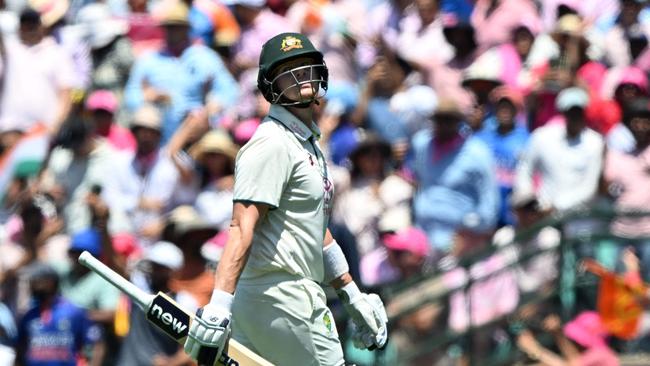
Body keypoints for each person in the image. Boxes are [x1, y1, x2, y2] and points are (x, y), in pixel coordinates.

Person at [182, 32, 388, 366]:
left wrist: (351, 294)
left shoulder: (305, 145)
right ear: (270, 87)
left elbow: (316, 230)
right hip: (283, 294)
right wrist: (219, 303)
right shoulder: (271, 143)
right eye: (288, 70)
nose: (301, 75)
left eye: (306, 66)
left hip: (280, 294)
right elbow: (241, 226)